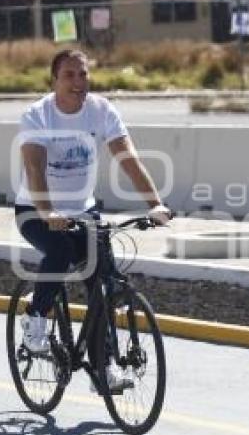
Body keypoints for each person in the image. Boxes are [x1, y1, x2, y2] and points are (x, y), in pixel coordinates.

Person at [14, 48, 171, 390]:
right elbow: (35, 167)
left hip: (83, 212)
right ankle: (36, 317)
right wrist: (47, 212)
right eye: (69, 75)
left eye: (83, 74)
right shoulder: (38, 116)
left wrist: (155, 204)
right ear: (54, 81)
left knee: (105, 282)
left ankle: (105, 366)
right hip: (35, 210)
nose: (78, 82)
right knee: (60, 253)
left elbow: (128, 158)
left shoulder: (101, 111)